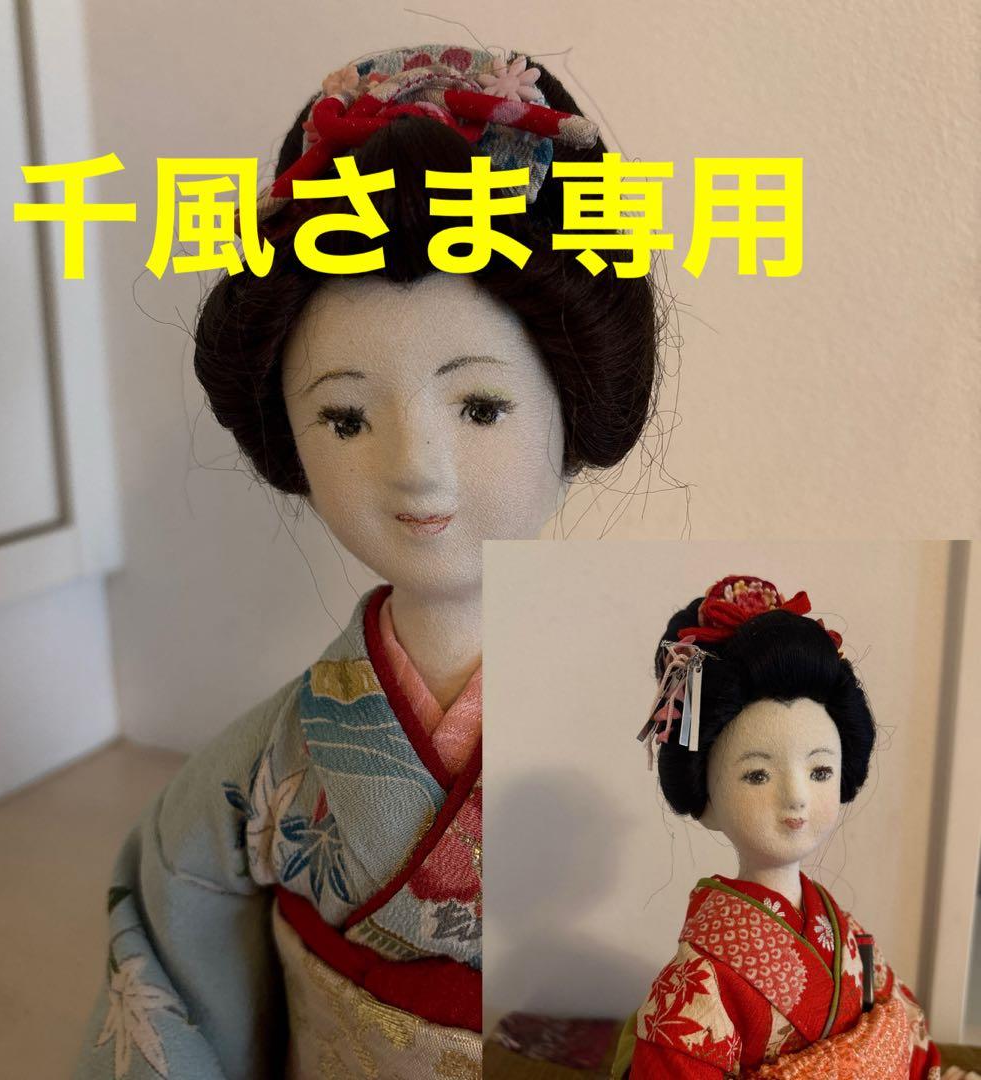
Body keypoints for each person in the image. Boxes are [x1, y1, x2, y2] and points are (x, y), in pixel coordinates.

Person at [74, 42, 663, 1079]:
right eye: (346, 418)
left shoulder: (656, 724)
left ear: (574, 418)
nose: (417, 471)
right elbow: (167, 939)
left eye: (481, 407)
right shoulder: (268, 762)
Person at [615, 576, 941, 1079]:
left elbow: (905, 1032)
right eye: (757, 775)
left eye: (820, 772)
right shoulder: (698, 981)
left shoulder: (845, 934)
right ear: (706, 798)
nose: (796, 798)